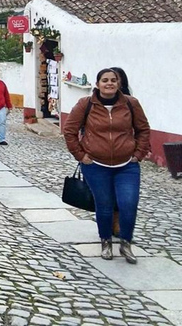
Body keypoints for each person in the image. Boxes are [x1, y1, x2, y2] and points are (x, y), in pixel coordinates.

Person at [63, 68, 151, 264]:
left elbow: (143, 129)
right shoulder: (85, 104)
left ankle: (126, 244)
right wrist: (80, 155)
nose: (109, 83)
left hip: (127, 165)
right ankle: (106, 242)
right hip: (96, 165)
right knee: (104, 206)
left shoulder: (131, 103)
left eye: (113, 80)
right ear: (97, 84)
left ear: (119, 84)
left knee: (128, 204)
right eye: (105, 80)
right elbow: (69, 131)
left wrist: (138, 154)